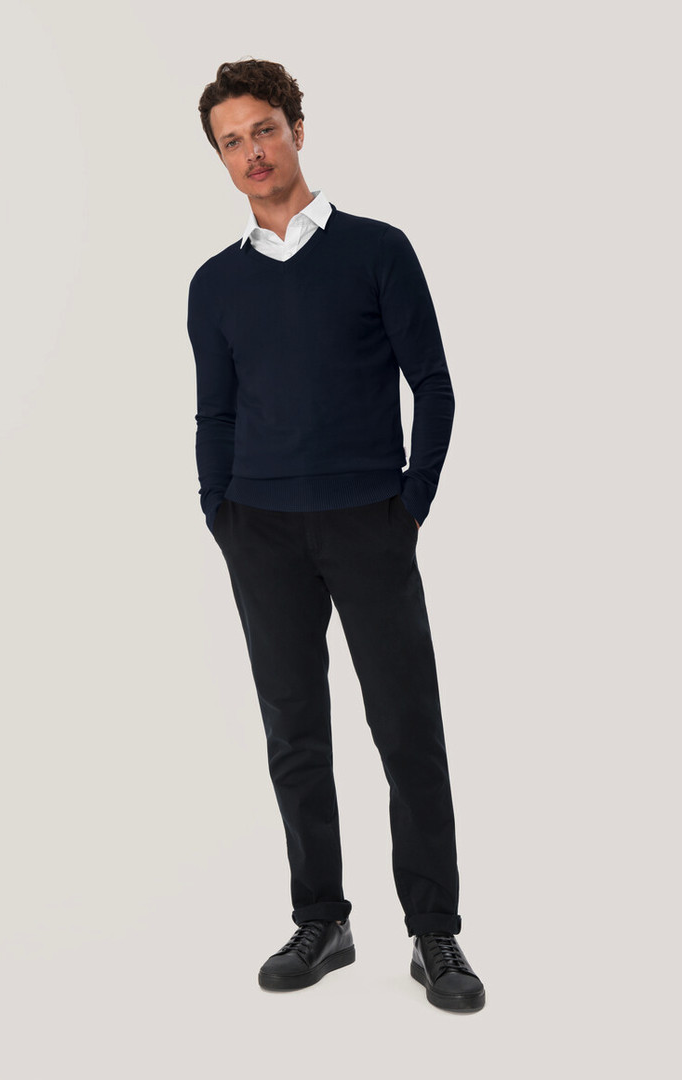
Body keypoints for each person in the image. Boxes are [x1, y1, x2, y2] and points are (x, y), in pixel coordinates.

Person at [187, 58, 485, 1013]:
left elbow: (433, 384)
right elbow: (215, 413)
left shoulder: (376, 250)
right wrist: (221, 511)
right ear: (221, 158)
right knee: (294, 734)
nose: (251, 152)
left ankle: (433, 932)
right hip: (261, 531)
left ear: (298, 130)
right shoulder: (214, 284)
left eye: (263, 130)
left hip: (368, 522)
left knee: (407, 728)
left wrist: (410, 503)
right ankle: (322, 918)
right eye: (232, 141)